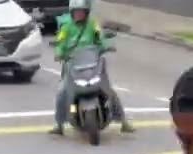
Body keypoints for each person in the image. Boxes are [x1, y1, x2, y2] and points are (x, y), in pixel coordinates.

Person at [48, 0, 134, 135]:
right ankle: (59, 125)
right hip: (72, 64)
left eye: (81, 12)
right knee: (62, 92)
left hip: (93, 63)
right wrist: (59, 53)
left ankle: (124, 122)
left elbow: (100, 36)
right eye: (76, 12)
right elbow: (60, 42)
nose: (79, 14)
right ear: (72, 13)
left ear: (87, 12)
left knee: (109, 91)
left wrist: (106, 45)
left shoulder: (93, 25)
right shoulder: (66, 28)